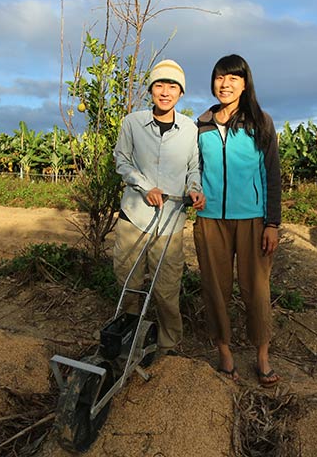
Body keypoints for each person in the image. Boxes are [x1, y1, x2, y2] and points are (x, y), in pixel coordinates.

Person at [193, 54, 281, 387]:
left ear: (245, 84)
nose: (225, 84)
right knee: (215, 288)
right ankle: (225, 353)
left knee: (256, 288)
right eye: (220, 77)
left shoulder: (260, 121)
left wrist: (272, 223)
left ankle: (262, 356)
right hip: (210, 218)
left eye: (233, 78)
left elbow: (272, 174)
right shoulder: (201, 124)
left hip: (253, 219)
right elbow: (194, 170)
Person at [113, 59, 206, 356]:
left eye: (172, 87)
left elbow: (194, 168)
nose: (165, 92)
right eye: (160, 85)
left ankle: (168, 345)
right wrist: (144, 186)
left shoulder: (190, 129)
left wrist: (194, 189)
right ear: (151, 90)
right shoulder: (132, 123)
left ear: (181, 93)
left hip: (171, 223)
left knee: (167, 289)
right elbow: (121, 160)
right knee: (128, 283)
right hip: (134, 217)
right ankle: (126, 339)